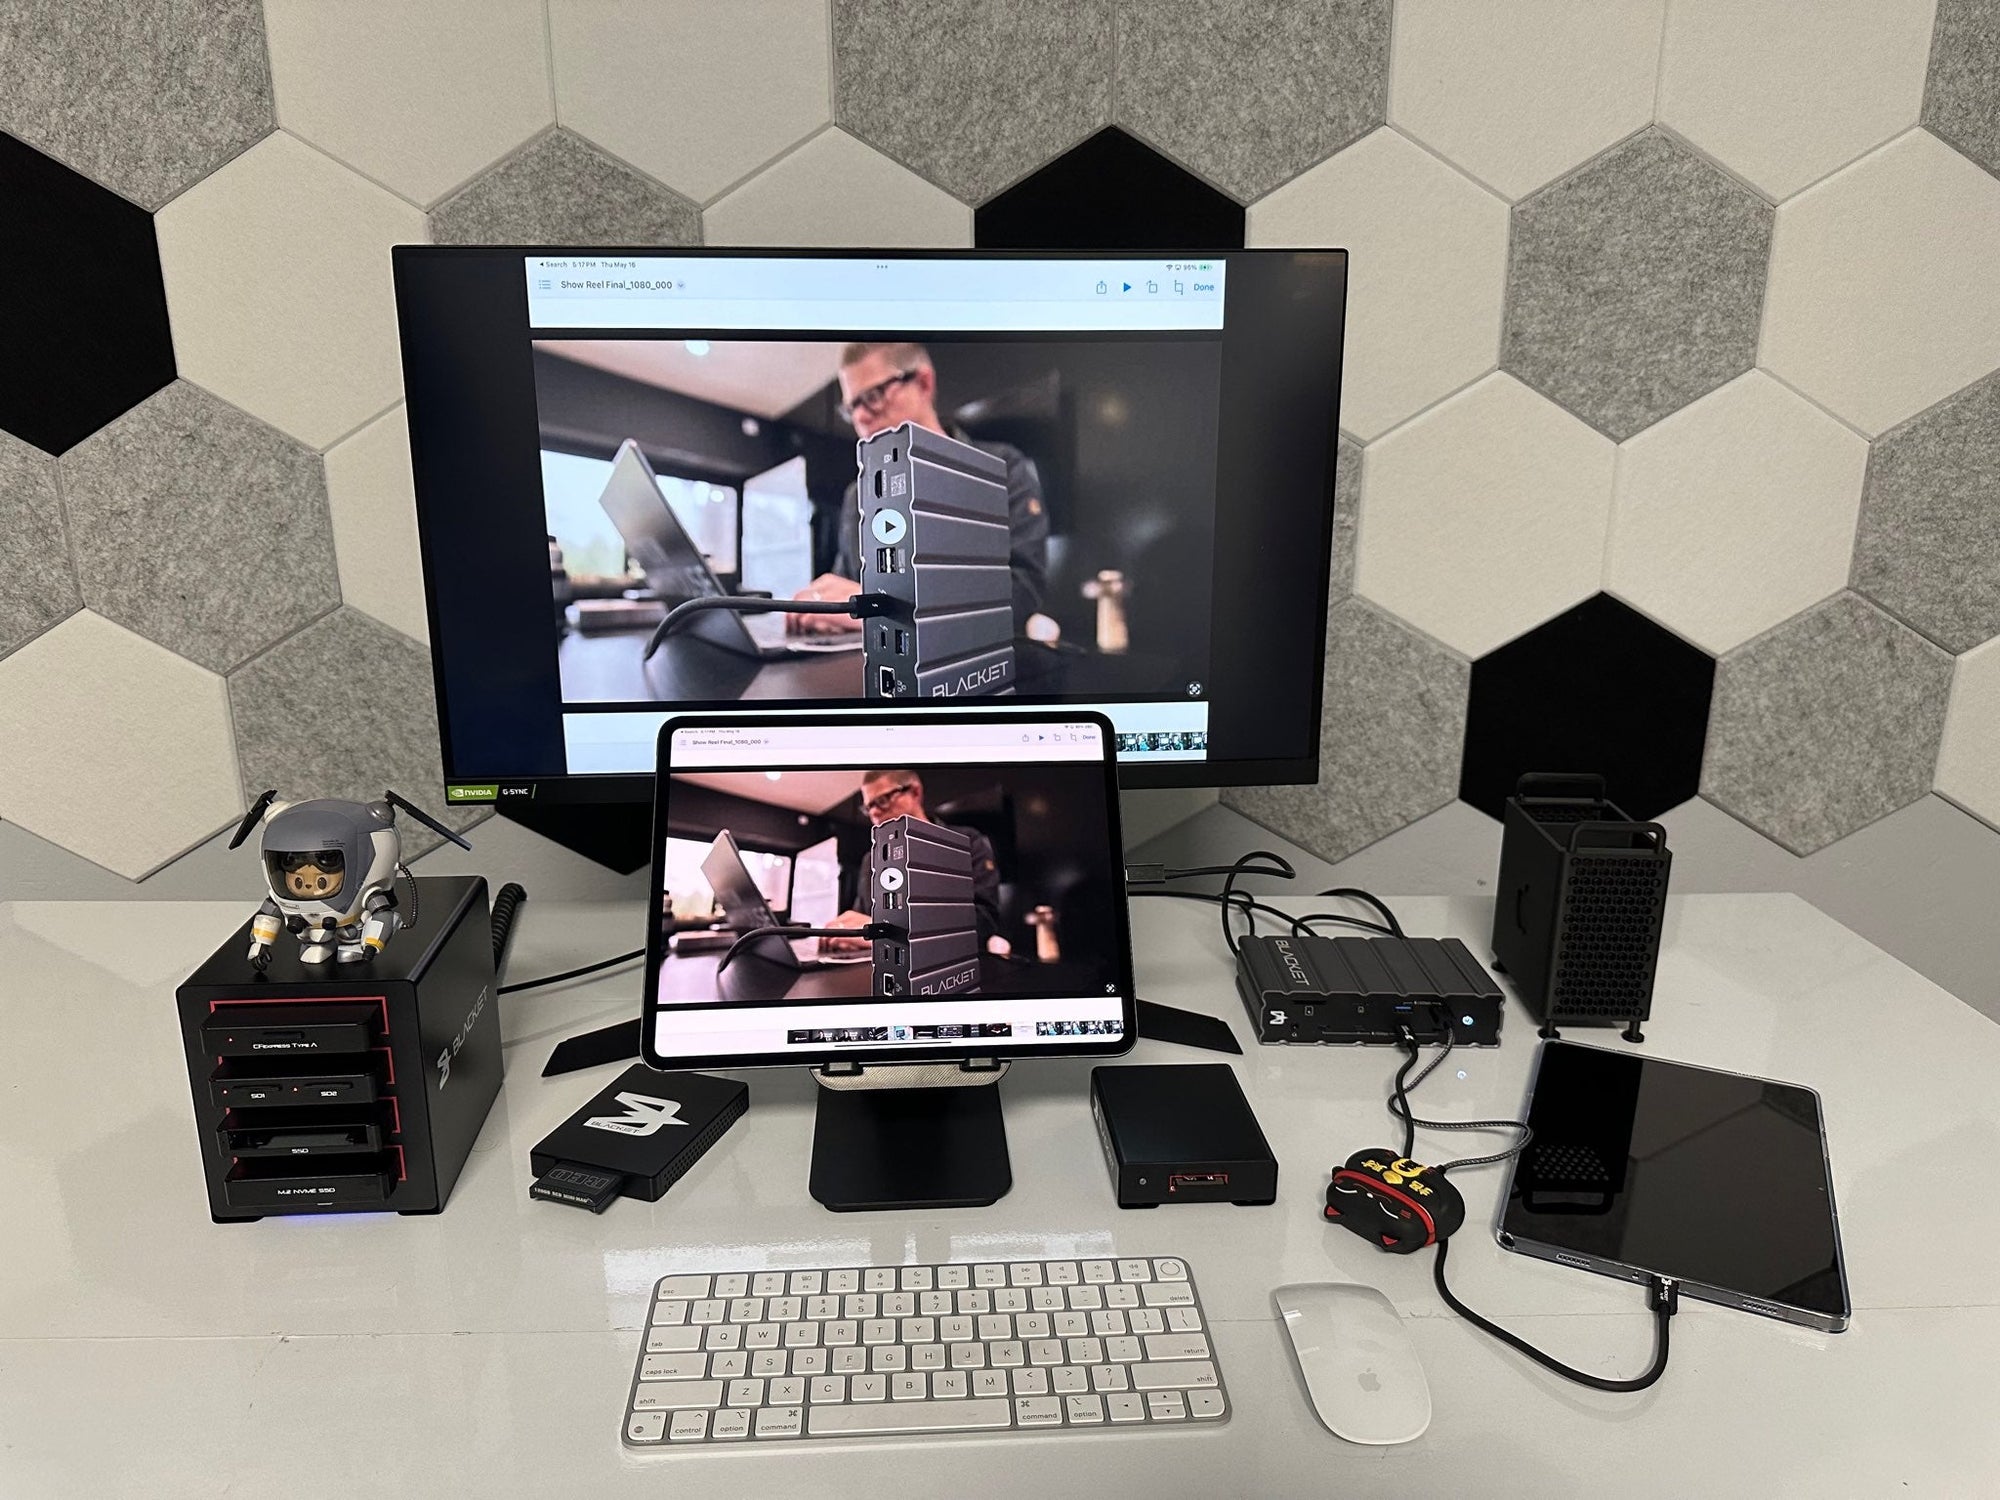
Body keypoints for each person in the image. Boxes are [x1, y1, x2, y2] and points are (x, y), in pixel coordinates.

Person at [788, 341, 1050, 634]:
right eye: (852, 407)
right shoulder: (856, 496)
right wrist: (828, 612)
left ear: (923, 383)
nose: (860, 417)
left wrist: (886, 609)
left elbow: (1024, 590)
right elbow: (849, 587)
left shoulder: (1002, 468)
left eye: (873, 396)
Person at [819, 768, 1006, 954]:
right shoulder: (870, 861)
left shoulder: (966, 842)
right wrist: (850, 936)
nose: (874, 813)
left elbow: (984, 920)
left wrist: (888, 932)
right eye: (868, 807)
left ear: (915, 792)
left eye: (882, 800)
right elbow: (863, 919)